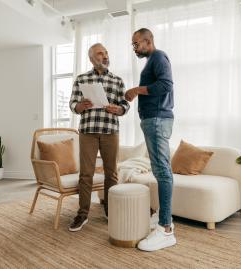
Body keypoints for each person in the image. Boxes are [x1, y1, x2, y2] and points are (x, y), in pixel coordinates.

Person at [68, 43, 130, 232]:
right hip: (88, 131)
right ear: (91, 58)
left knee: (111, 173)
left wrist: (119, 109)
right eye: (100, 53)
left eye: (106, 52)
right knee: (86, 174)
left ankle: (110, 211)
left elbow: (124, 105)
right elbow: (73, 105)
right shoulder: (82, 79)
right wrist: (80, 106)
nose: (104, 56)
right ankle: (82, 214)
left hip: (110, 131)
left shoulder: (117, 80)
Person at [125, 28, 176, 251]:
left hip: (157, 119)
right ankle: (162, 219)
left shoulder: (158, 56)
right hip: (152, 119)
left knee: (162, 171)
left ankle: (165, 229)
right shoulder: (151, 60)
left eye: (136, 44)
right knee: (159, 170)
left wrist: (136, 90)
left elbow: (166, 85)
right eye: (133, 45)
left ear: (148, 41)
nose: (135, 48)